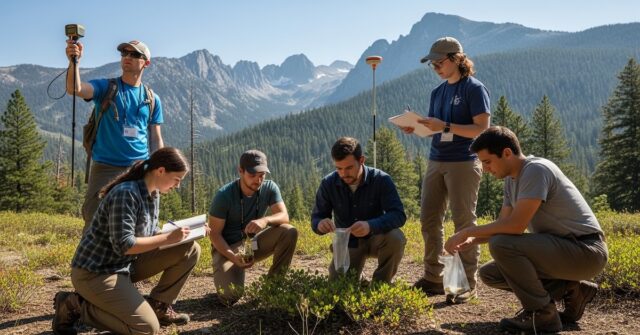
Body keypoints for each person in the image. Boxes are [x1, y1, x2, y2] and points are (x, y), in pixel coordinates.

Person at [444, 126, 608, 333]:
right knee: (491, 273)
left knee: (501, 245)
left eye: (487, 161)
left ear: (506, 153)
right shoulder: (512, 180)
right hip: (565, 250)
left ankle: (542, 314)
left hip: (586, 251)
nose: (485, 168)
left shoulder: (536, 170)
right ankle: (572, 289)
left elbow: (515, 226)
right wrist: (472, 241)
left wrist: (466, 231)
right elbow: (504, 225)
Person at [52, 147, 201, 335]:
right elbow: (125, 244)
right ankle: (75, 306)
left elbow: (148, 233)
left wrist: (188, 233)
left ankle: (159, 305)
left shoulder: (153, 193)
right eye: (177, 179)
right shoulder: (126, 193)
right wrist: (168, 238)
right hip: (96, 272)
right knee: (146, 329)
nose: (177, 186)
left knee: (190, 248)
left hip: (125, 266)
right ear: (161, 171)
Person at [401, 36, 490, 303]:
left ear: (456, 59)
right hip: (436, 159)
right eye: (432, 64)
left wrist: (447, 127)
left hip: (464, 160)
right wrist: (417, 128)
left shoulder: (474, 88)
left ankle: (465, 284)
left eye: (439, 62)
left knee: (464, 222)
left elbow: (482, 128)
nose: (436, 68)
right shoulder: (437, 92)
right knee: (429, 220)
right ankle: (434, 278)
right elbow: (435, 129)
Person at [65, 39, 164, 231]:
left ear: (146, 63)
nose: (127, 57)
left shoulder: (152, 99)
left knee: (143, 222)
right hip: (105, 169)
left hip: (140, 169)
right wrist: (73, 61)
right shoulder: (107, 88)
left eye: (134, 55)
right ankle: (87, 261)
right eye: (124, 53)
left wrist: (160, 167)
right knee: (95, 221)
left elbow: (155, 137)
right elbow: (74, 89)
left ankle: (138, 260)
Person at [208, 150, 298, 304]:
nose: (258, 180)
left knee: (289, 231)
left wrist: (265, 220)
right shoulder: (224, 195)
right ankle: (229, 276)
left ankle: (273, 288)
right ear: (240, 171)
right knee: (230, 296)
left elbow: (284, 216)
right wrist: (233, 257)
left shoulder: (269, 188)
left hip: (252, 243)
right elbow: (214, 234)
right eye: (252, 175)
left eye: (262, 175)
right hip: (227, 248)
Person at [311, 137, 407, 283]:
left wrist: (370, 226)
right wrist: (320, 224)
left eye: (349, 168)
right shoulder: (328, 183)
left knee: (396, 237)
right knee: (339, 288)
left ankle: (381, 285)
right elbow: (316, 217)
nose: (343, 174)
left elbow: (398, 215)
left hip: (378, 238)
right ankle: (359, 278)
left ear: (361, 160)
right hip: (348, 244)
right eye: (339, 168)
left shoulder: (381, 180)